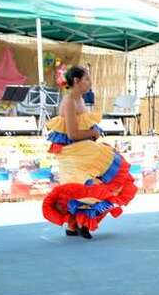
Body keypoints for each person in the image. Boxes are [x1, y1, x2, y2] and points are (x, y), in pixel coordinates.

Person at [41, 66, 137, 238]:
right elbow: (72, 134)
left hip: (84, 151)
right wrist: (93, 133)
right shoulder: (69, 101)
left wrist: (92, 134)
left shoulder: (80, 100)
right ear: (76, 81)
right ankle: (80, 223)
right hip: (74, 154)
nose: (90, 83)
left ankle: (75, 225)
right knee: (89, 188)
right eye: (87, 80)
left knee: (104, 185)